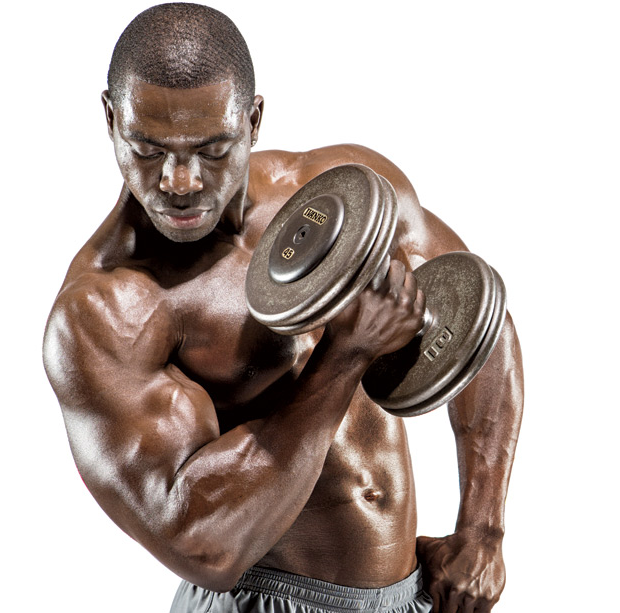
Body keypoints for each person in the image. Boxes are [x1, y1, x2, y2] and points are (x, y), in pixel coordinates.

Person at [43, 4, 524, 612]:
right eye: (148, 150)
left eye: (212, 150)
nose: (180, 181)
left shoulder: (342, 192)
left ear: (253, 120)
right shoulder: (105, 312)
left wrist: (481, 528)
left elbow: (478, 319)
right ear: (111, 118)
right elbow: (204, 546)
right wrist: (345, 355)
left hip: (407, 595)